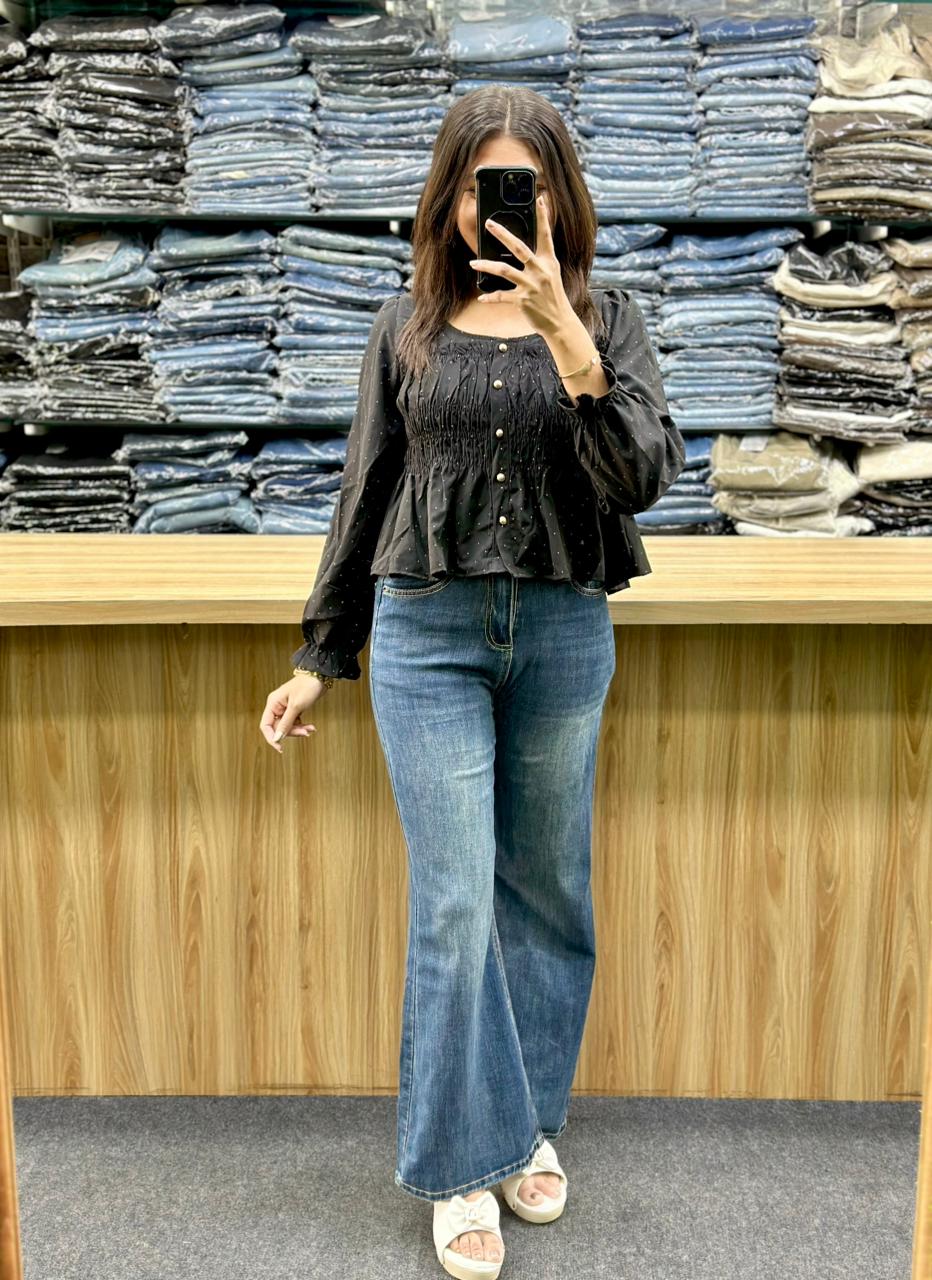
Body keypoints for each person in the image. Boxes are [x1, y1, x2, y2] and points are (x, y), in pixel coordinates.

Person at [260, 84, 686, 1279]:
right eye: (480, 184)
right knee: (454, 897)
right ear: (448, 198)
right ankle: (460, 1161)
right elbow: (365, 487)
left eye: (526, 185)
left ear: (559, 196)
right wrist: (319, 653)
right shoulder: (406, 324)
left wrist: (566, 338)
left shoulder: (609, 317)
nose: (501, 205)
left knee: (546, 887)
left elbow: (645, 474)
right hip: (426, 632)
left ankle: (523, 1124)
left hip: (561, 629)